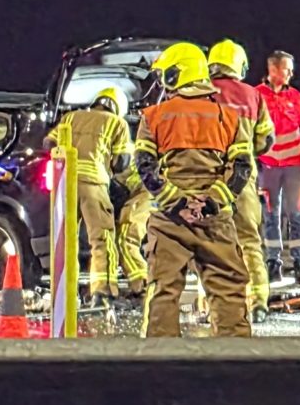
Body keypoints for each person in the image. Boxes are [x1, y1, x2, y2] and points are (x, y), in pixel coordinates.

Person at [130, 42, 256, 337]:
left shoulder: (153, 116)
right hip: (215, 220)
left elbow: (146, 168)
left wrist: (177, 202)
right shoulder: (230, 117)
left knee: (163, 290)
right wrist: (211, 203)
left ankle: (160, 366)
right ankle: (237, 363)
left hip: (170, 220)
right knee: (228, 290)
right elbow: (241, 169)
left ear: (176, 75)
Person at [48, 83, 137, 296]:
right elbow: (122, 162)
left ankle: (64, 294)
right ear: (117, 107)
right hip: (94, 185)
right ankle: (102, 292)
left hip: (64, 186)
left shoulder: (70, 117)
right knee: (102, 239)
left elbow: (48, 143)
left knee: (64, 240)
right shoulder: (118, 123)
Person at [206, 40, 275, 313]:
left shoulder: (202, 93)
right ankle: (258, 302)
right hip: (243, 178)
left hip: (209, 178)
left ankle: (215, 306)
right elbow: (266, 140)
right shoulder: (253, 95)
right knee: (249, 241)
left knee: (210, 242)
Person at [256, 50, 300, 282]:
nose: (290, 73)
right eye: (286, 69)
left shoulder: (296, 97)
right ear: (273, 70)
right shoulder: (257, 96)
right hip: (267, 167)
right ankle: (273, 262)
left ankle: (299, 261)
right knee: (271, 215)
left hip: (294, 168)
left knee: (297, 214)